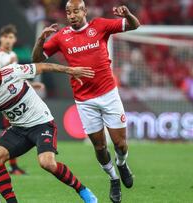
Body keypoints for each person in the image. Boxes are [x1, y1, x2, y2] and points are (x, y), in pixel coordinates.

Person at [0, 54, 97, 203]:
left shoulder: (12, 72)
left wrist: (70, 70)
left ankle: (83, 190)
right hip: (18, 128)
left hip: (41, 123)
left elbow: (43, 66)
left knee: (47, 163)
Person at [32, 1, 140, 202]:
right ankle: (113, 179)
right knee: (99, 148)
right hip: (84, 100)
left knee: (120, 144)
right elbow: (37, 59)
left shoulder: (100, 25)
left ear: (84, 11)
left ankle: (122, 164)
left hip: (109, 95)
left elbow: (134, 25)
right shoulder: (62, 36)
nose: (71, 15)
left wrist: (128, 14)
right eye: (68, 12)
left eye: (75, 11)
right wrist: (40, 40)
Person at [0, 24, 44, 175]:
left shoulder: (12, 54)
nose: (8, 40)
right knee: (13, 131)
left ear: (15, 39)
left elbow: (13, 79)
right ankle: (5, 164)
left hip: (13, 99)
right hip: (3, 101)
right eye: (5, 37)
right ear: (0, 38)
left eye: (11, 37)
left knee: (11, 131)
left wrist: (31, 84)